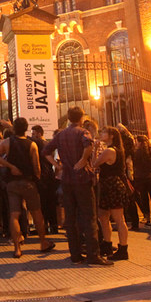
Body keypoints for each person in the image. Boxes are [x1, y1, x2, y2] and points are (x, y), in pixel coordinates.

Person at [42, 107, 110, 265]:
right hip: (82, 178)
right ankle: (93, 255)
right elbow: (88, 145)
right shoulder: (83, 132)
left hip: (67, 179)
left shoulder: (61, 135)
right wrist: (83, 159)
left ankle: (75, 255)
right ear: (81, 117)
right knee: (89, 217)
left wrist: (57, 166)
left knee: (70, 219)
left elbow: (45, 151)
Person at [0, 117, 54, 257]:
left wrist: (10, 166)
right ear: (26, 128)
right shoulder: (32, 145)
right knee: (37, 212)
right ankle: (43, 242)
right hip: (28, 182)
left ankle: (17, 248)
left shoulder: (7, 142)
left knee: (14, 214)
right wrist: (38, 179)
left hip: (12, 182)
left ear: (14, 128)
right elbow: (36, 165)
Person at [95, 127, 131, 260]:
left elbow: (94, 164)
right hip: (109, 185)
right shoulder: (117, 150)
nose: (101, 134)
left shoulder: (110, 150)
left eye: (104, 132)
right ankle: (107, 243)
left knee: (118, 218)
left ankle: (123, 248)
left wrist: (94, 149)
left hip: (112, 185)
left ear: (111, 136)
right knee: (104, 216)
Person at [132, 132, 151, 226]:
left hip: (141, 179)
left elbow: (135, 165)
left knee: (144, 198)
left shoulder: (136, 153)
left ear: (140, 142)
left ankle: (148, 218)